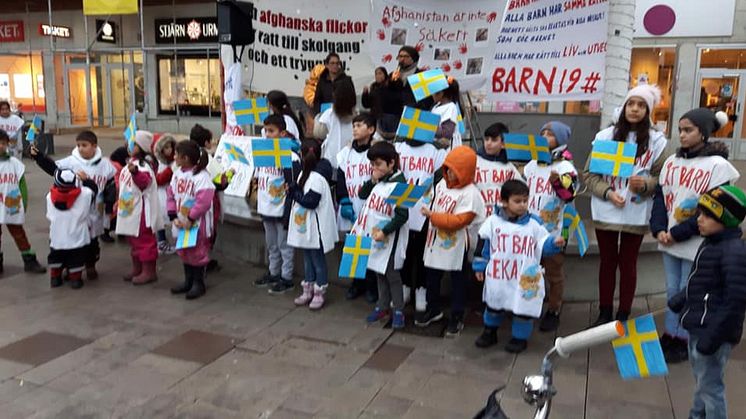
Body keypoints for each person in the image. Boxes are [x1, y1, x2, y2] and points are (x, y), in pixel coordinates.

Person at [650, 109, 739, 363]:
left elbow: (712, 208)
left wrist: (677, 233)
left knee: (689, 290)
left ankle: (683, 337)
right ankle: (670, 333)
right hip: (668, 239)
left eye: (688, 130)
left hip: (695, 242)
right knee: (671, 290)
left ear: (703, 132)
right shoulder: (672, 162)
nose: (682, 135)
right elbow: (660, 197)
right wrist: (658, 229)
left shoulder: (718, 166)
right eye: (680, 130)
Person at [583, 84, 668, 325]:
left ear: (647, 111)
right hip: (606, 207)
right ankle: (605, 312)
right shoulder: (605, 136)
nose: (635, 109)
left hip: (637, 210)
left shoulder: (657, 141)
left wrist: (645, 184)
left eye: (641, 105)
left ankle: (624, 313)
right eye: (631, 103)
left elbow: (662, 177)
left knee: (628, 263)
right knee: (608, 261)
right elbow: (589, 175)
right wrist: (608, 193)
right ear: (624, 107)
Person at [667, 185, 746, 419]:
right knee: (703, 382)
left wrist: (712, 338)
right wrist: (680, 299)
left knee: (711, 388)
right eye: (699, 213)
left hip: (712, 333)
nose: (699, 220)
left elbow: (736, 301)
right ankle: (696, 415)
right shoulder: (711, 243)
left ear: (726, 219)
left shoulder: (733, 252)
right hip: (698, 327)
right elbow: (699, 281)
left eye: (707, 215)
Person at [472, 180, 565, 353]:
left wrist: (554, 243)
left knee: (523, 307)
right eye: (517, 201)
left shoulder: (534, 223)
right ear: (505, 201)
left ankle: (519, 338)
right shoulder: (492, 222)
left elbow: (543, 244)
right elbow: (483, 245)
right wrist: (479, 266)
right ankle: (490, 331)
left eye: (525, 200)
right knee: (494, 303)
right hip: (499, 275)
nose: (522, 205)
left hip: (523, 276)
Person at [416, 146, 486, 336]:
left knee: (458, 282)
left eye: (455, 171)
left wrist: (432, 216)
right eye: (448, 169)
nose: (451, 175)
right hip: (436, 241)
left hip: (458, 246)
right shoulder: (441, 184)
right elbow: (432, 200)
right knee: (432, 276)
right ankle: (433, 308)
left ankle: (457, 315)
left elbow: (460, 221)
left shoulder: (471, 194)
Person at [32, 130, 116, 279]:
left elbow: (110, 185)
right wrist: (39, 157)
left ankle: (90, 265)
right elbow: (53, 169)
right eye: (78, 145)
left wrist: (109, 207)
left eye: (84, 145)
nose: (81, 148)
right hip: (74, 209)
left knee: (92, 241)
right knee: (71, 239)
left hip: (95, 209)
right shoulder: (71, 162)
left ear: (94, 146)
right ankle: (69, 267)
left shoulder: (105, 164)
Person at [524, 121, 578, 332]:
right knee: (530, 269)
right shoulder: (532, 164)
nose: (545, 137)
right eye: (542, 133)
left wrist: (558, 182)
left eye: (550, 134)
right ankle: (530, 304)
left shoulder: (565, 166)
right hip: (530, 228)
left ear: (561, 140)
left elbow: (570, 194)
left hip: (554, 230)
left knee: (554, 272)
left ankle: (554, 309)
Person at [357, 142, 409, 329]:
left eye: (378, 164)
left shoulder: (400, 184)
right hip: (376, 237)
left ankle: (398, 310)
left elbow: (403, 215)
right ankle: (382, 305)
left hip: (390, 239)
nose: (375, 168)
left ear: (391, 163)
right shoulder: (379, 180)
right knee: (379, 270)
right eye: (372, 164)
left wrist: (385, 231)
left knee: (392, 275)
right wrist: (372, 180)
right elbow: (363, 194)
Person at [395, 129, 447, 312]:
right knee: (404, 248)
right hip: (402, 205)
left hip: (426, 207)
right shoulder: (398, 147)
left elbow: (442, 175)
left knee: (423, 251)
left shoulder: (436, 150)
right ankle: (405, 285)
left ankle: (421, 289)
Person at [287, 140, 337, 310]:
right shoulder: (304, 174)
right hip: (305, 227)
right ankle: (308, 287)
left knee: (317, 260)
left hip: (315, 228)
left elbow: (310, 202)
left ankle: (319, 290)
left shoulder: (317, 179)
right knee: (307, 259)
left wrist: (294, 193)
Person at [254, 115, 301, 295]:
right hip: (266, 207)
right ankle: (274, 273)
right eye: (265, 130)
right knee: (271, 243)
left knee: (284, 245)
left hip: (282, 208)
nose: (267, 134)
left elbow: (293, 183)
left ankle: (286, 277)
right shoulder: (263, 152)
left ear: (282, 133)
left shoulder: (290, 156)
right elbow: (260, 177)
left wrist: (288, 209)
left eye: (271, 131)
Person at [336, 112, 377, 302]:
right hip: (351, 205)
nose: (354, 129)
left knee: (369, 248)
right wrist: (344, 200)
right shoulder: (346, 153)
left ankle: (371, 286)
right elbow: (342, 178)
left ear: (371, 130)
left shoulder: (375, 154)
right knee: (352, 247)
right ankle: (356, 284)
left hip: (369, 208)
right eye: (353, 126)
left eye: (359, 125)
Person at [167, 140, 215, 300]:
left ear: (185, 157)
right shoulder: (177, 174)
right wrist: (173, 215)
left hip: (196, 224)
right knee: (184, 250)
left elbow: (204, 201)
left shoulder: (202, 177)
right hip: (182, 222)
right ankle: (188, 280)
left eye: (176, 154)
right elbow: (171, 195)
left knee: (197, 252)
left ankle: (198, 282)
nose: (174, 157)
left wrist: (190, 217)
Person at [116, 131, 160, 285]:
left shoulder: (143, 166)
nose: (129, 145)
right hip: (129, 206)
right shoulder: (131, 163)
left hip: (141, 210)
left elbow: (144, 182)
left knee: (144, 239)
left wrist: (135, 173)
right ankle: (137, 267)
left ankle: (149, 270)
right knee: (132, 238)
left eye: (133, 143)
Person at [0, 129, 45, 274]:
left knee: (19, 233)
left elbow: (22, 184)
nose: (0, 146)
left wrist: (23, 202)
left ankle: (29, 260)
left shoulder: (14, 163)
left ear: (7, 144)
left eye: (2, 143)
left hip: (11, 204)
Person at [190, 124, 233, 273]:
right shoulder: (207, 159)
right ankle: (203, 261)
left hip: (190, 203)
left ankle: (194, 260)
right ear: (207, 142)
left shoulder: (189, 157)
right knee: (207, 233)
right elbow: (220, 182)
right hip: (208, 204)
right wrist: (231, 174)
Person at [46, 169, 96, 290]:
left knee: (56, 257)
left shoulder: (49, 197)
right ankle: (75, 279)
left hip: (57, 236)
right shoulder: (85, 194)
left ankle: (55, 278)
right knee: (76, 259)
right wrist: (86, 180)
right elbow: (94, 190)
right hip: (77, 236)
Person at [474, 122, 522, 217]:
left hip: (500, 218)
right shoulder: (474, 161)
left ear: (503, 144)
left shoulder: (509, 167)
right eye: (486, 139)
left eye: (494, 140)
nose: (489, 143)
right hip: (477, 216)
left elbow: (519, 189)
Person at [313, 79, 356, 170]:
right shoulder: (357, 115)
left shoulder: (329, 114)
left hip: (331, 160)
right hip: (351, 162)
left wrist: (318, 118)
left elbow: (318, 133)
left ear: (335, 94)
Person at [152, 133, 179, 255]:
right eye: (166, 148)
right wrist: (170, 170)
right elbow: (158, 180)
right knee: (162, 220)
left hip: (173, 194)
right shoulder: (159, 163)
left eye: (170, 147)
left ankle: (178, 241)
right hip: (162, 194)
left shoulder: (174, 160)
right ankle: (161, 242)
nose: (169, 150)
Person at [361, 67, 403, 140]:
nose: (378, 76)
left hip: (390, 118)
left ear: (385, 74)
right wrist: (365, 94)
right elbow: (366, 105)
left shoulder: (391, 84)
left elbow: (397, 86)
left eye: (380, 73)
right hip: (376, 118)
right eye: (376, 74)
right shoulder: (373, 87)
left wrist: (394, 79)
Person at [389, 46, 434, 110]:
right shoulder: (393, 74)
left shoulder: (421, 75)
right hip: (394, 113)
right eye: (400, 56)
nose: (402, 59)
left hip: (413, 113)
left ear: (413, 58)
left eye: (406, 56)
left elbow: (426, 100)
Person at [431, 77, 464, 151]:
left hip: (448, 150)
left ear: (442, 93)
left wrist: (426, 128)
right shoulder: (436, 106)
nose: (432, 94)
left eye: (434, 91)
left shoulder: (451, 107)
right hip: (437, 147)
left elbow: (447, 133)